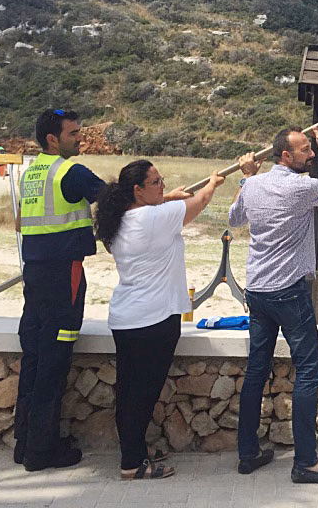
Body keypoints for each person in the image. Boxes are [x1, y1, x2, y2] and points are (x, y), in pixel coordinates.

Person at [230, 127, 318, 483]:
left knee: (256, 370)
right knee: (309, 371)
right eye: (305, 150)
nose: (310, 154)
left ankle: (247, 453)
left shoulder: (252, 184)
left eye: (313, 149)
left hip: (258, 291)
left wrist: (247, 178)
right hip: (289, 292)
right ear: (285, 156)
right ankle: (307, 463)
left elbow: (235, 219)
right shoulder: (300, 187)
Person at [95, 160, 225, 480]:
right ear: (137, 190)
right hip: (154, 320)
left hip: (127, 318)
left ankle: (134, 451)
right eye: (155, 183)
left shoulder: (119, 220)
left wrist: (166, 198)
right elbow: (201, 202)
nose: (162, 186)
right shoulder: (155, 218)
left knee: (129, 391)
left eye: (161, 180)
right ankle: (132, 464)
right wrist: (212, 182)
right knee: (143, 394)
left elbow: (159, 207)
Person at [15, 108, 105, 471]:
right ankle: (42, 450)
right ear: (53, 139)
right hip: (63, 273)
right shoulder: (71, 171)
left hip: (34, 273)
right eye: (73, 134)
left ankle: (25, 442)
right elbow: (115, 198)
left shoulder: (31, 172)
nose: (80, 138)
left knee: (34, 357)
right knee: (54, 359)